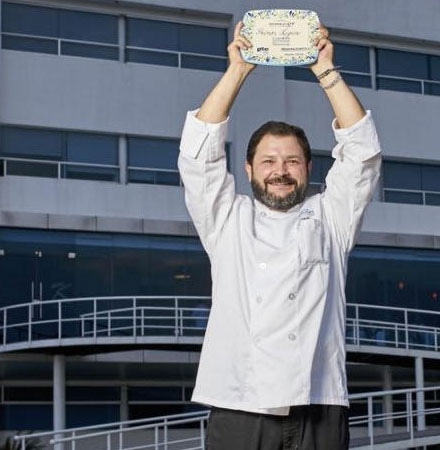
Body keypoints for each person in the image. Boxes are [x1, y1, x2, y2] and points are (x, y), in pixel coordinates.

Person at [177, 19, 381, 450]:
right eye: (268, 161)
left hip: (319, 402)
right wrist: (238, 70)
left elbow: (362, 155)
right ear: (248, 170)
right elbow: (197, 157)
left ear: (309, 169)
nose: (280, 171)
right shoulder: (226, 219)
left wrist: (326, 71)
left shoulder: (331, 218)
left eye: (291, 161)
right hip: (238, 403)